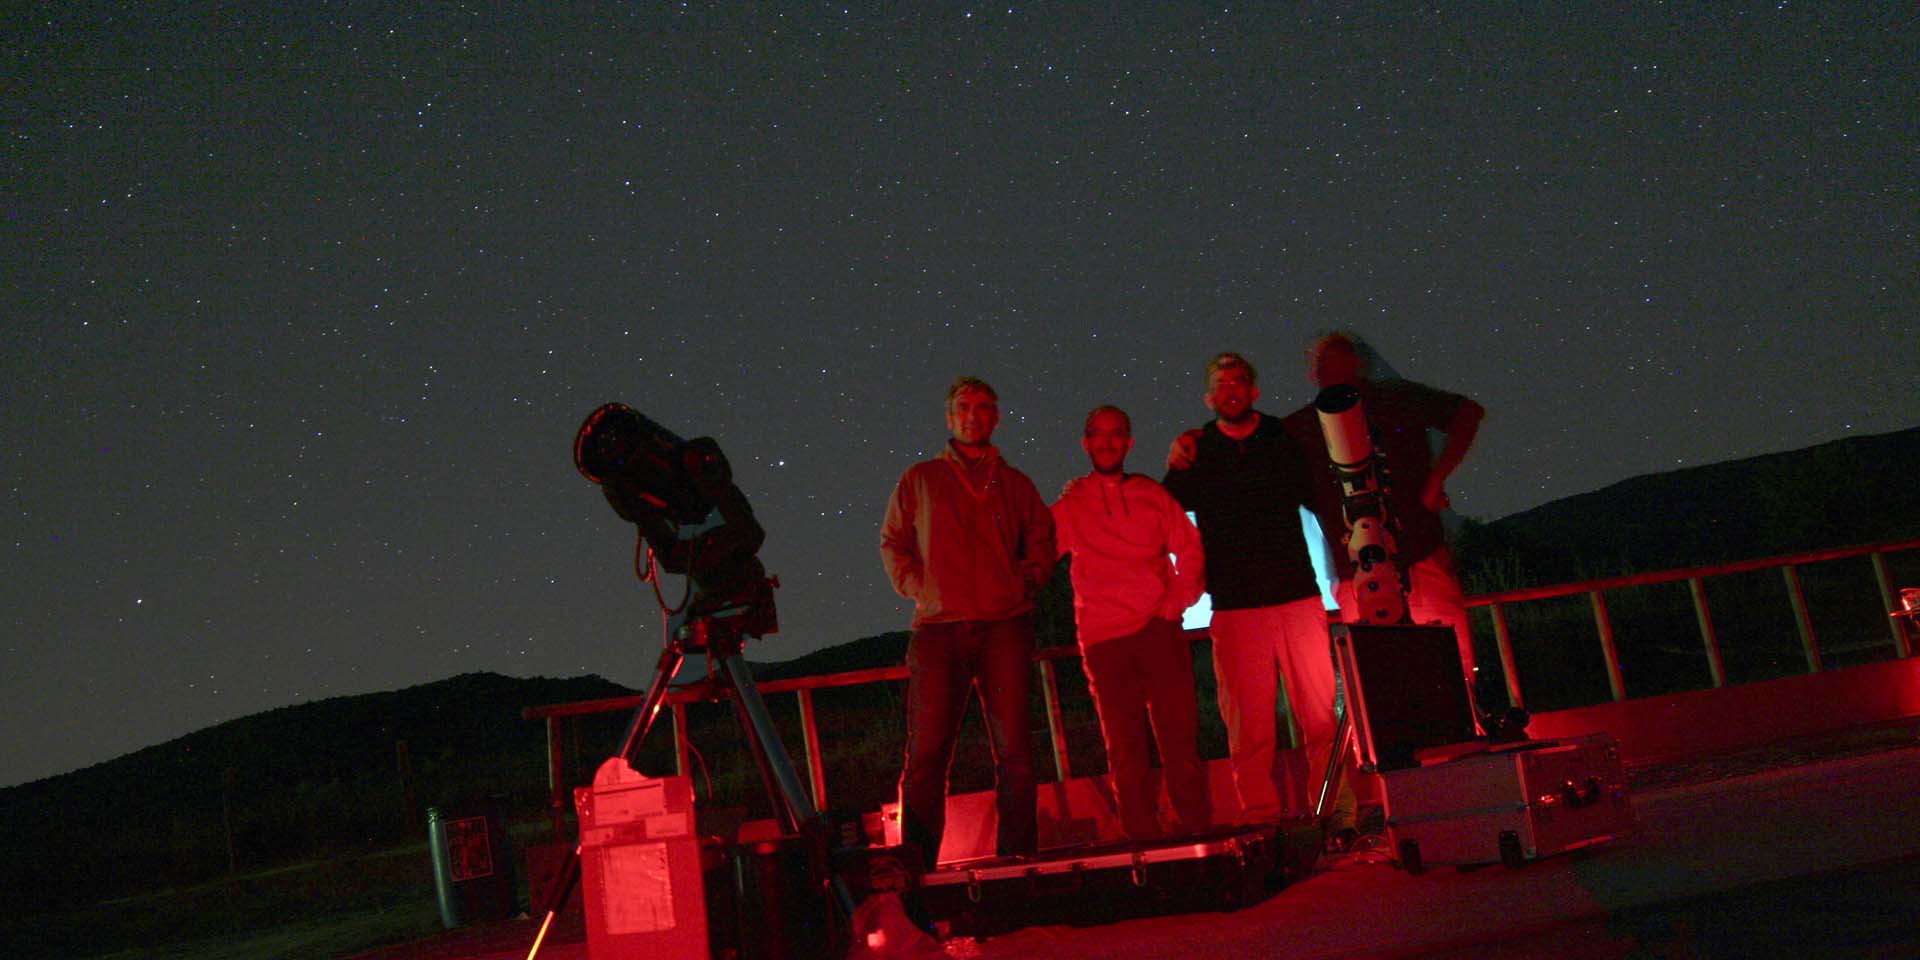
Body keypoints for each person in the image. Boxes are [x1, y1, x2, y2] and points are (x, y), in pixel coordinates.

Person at [880, 376, 1056, 863]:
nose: (973, 415)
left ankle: (1018, 861)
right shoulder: (920, 479)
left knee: (1015, 752)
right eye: (963, 407)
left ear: (995, 417)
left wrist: (1024, 582)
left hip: (1005, 624)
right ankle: (917, 866)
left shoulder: (1016, 484)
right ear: (950, 417)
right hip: (939, 630)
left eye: (982, 407)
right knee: (927, 754)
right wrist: (921, 587)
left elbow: (1043, 539)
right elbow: (894, 541)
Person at [1163, 353, 1332, 823]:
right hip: (1235, 608)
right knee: (1248, 728)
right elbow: (1161, 513)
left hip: (1297, 597)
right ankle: (1260, 818)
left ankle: (1335, 814)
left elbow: (1322, 498)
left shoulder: (1283, 439)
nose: (1231, 389)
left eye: (1238, 381)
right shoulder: (1198, 451)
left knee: (1320, 719)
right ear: (1209, 398)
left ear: (1253, 391)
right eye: (1222, 383)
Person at [1281, 332, 1485, 697]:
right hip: (1357, 574)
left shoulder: (1396, 398)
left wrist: (1435, 479)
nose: (1337, 371)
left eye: (1343, 360)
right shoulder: (1301, 428)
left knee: (1452, 675)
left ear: (1359, 363)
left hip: (1420, 558)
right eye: (1328, 364)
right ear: (1314, 374)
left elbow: (1467, 413)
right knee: (1382, 689)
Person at [1052, 405, 1211, 842]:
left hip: (1158, 631)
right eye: (1098, 434)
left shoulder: (1151, 495)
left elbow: (1190, 548)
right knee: (1125, 750)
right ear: (1086, 443)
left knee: (1180, 742)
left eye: (1116, 433)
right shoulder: (1071, 506)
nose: (1107, 442)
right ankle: (1143, 843)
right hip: (1104, 641)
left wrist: (1177, 601)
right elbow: (1034, 552)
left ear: (1128, 442)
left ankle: (1197, 835)